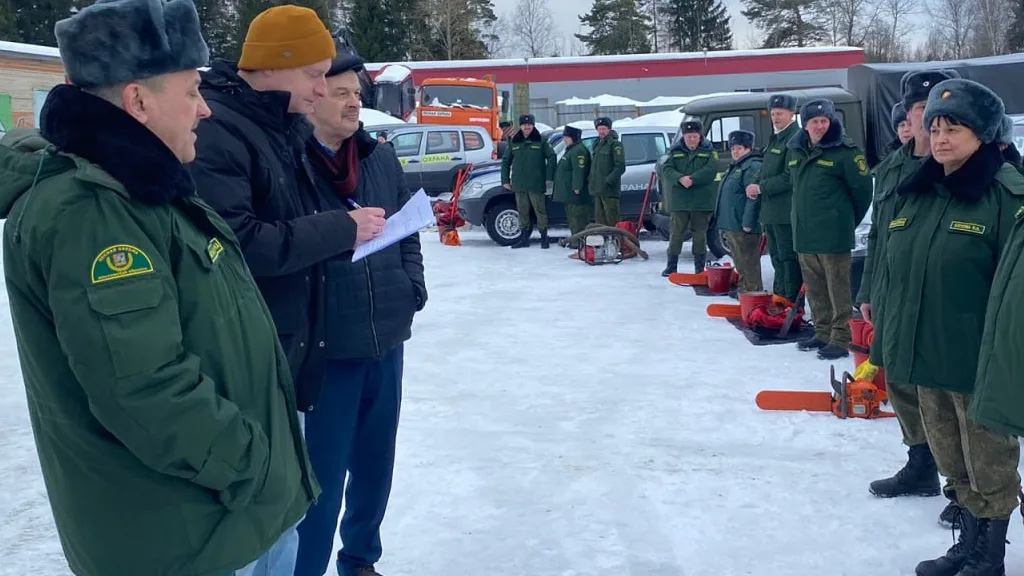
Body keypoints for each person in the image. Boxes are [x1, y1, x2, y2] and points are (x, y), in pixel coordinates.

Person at [0, 1, 317, 574]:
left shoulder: (145, 189)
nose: (205, 108)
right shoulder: (93, 213)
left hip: (214, 519)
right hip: (180, 536)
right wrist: (254, 466)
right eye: (191, 91)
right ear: (138, 102)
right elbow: (143, 390)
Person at [860, 78, 1024, 576]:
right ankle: (967, 545)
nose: (940, 138)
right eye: (934, 128)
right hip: (924, 352)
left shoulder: (1005, 194)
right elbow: (895, 267)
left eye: (954, 128)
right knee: (951, 457)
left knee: (988, 459)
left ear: (984, 134)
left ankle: (989, 557)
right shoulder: (919, 190)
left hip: (977, 359)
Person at [189, 5, 386, 416]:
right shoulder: (217, 130)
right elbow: (237, 243)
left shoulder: (281, 124)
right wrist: (341, 230)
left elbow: (292, 218)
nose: (321, 90)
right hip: (244, 354)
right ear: (271, 65)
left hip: (285, 344)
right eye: (314, 75)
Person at [295, 51, 426, 576]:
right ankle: (306, 567)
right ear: (313, 97)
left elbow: (409, 227)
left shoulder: (379, 158)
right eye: (342, 93)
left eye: (357, 94)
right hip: (327, 347)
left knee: (375, 468)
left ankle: (360, 560)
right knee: (320, 479)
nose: (354, 103)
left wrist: (412, 286)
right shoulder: (291, 163)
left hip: (386, 337)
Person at [856, 70, 959, 512]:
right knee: (899, 379)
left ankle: (964, 488)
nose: (927, 118)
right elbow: (878, 236)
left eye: (935, 110)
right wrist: (868, 290)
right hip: (893, 293)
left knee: (946, 394)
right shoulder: (893, 168)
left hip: (939, 298)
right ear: (908, 113)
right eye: (920, 109)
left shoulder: (956, 167)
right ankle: (921, 464)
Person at [787, 98, 872, 360]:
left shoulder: (846, 152)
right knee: (815, 289)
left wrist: (843, 221)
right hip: (805, 234)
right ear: (805, 125)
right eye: (815, 121)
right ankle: (822, 332)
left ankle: (841, 337)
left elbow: (863, 192)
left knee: (838, 289)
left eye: (824, 121)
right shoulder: (796, 150)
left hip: (833, 235)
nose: (820, 126)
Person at [745, 94, 801, 302]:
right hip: (771, 212)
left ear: (792, 114)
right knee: (777, 258)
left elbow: (789, 177)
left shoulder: (794, 139)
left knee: (788, 260)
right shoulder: (776, 138)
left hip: (785, 212)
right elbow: (767, 170)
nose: (775, 118)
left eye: (780, 114)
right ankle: (780, 299)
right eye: (773, 114)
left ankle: (791, 303)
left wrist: (761, 188)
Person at [661, 120, 719, 276]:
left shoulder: (709, 151)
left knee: (699, 235)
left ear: (700, 136)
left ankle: (699, 268)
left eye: (694, 136)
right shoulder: (674, 152)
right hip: (680, 201)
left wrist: (693, 179)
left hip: (701, 201)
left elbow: (711, 169)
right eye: (688, 137)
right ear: (684, 137)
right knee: (676, 234)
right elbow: (666, 169)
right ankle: (671, 266)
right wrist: (679, 178)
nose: (692, 140)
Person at [714, 130, 763, 293]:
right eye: (733, 148)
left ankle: (752, 291)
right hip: (733, 223)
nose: (735, 151)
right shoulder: (736, 166)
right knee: (741, 262)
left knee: (748, 262)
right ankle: (744, 288)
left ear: (748, 148)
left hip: (743, 225)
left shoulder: (752, 166)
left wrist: (748, 223)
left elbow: (753, 198)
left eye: (739, 148)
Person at [501, 113, 556, 249]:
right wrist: (505, 180)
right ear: (520, 126)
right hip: (519, 184)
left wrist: (549, 177)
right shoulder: (514, 141)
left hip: (536, 183)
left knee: (540, 211)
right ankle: (524, 238)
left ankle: (544, 237)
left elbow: (552, 157)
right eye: (524, 125)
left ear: (533, 125)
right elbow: (506, 161)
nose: (527, 127)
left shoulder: (541, 140)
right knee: (522, 211)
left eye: (529, 125)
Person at [553, 124, 591, 246]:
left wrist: (577, 187)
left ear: (573, 138)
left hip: (575, 194)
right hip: (569, 193)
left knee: (578, 218)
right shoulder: (571, 150)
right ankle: (576, 240)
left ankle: (579, 242)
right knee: (573, 218)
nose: (564, 140)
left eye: (566, 137)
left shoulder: (578, 150)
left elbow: (578, 170)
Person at [589, 116, 627, 226]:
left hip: (609, 191)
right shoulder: (597, 144)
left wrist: (608, 181)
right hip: (598, 189)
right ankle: (603, 237)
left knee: (612, 220)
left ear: (609, 129)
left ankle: (615, 237)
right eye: (599, 129)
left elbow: (620, 166)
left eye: (604, 129)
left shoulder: (615, 144)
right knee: (600, 221)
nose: (601, 131)